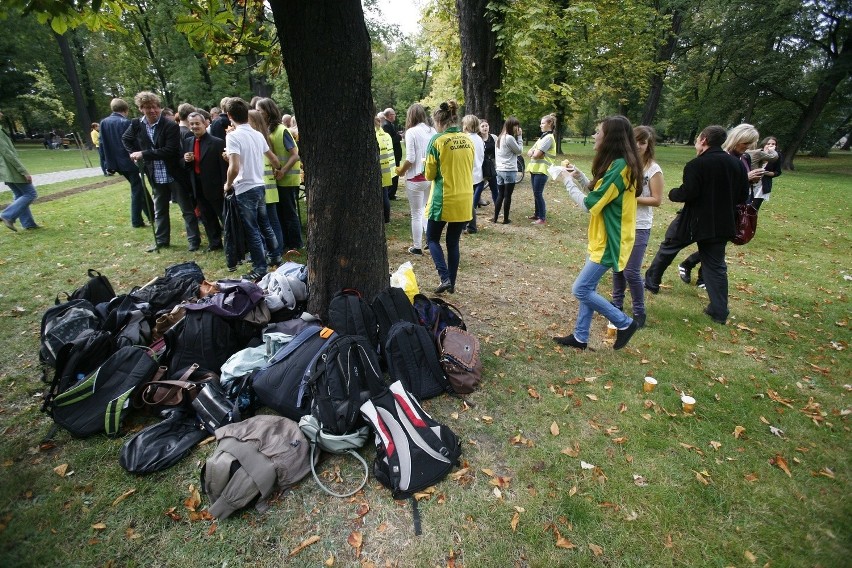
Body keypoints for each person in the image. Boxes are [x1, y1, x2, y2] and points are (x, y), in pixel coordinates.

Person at [644, 125, 749, 324]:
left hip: (694, 221)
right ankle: (719, 311)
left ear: (703, 140)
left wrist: (673, 193)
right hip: (722, 223)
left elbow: (688, 193)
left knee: (669, 247)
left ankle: (651, 282)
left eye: (698, 139)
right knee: (716, 266)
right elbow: (743, 195)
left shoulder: (697, 165)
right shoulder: (736, 164)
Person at [553, 115, 643, 350]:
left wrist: (566, 181)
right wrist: (579, 175)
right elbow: (599, 192)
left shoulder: (620, 168)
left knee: (581, 289)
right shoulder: (617, 164)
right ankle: (580, 337)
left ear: (610, 137)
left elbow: (589, 205)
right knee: (589, 288)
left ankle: (624, 323)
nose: (594, 136)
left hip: (610, 240)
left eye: (598, 132)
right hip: (601, 237)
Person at [675, 124, 761, 288]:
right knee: (712, 246)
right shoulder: (723, 157)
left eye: (751, 144)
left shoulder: (744, 158)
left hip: (732, 209)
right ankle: (695, 271)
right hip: (712, 211)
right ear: (736, 139)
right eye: (745, 143)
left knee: (715, 247)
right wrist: (745, 178)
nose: (748, 147)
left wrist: (748, 180)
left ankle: (698, 273)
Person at [122, 91, 201, 252]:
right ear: (141, 109)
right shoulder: (137, 124)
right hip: (155, 174)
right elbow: (126, 139)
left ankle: (194, 240)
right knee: (160, 210)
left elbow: (169, 150)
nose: (152, 111)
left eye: (155, 107)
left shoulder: (169, 125)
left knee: (186, 209)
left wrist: (143, 154)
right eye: (147, 108)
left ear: (159, 107)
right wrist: (133, 153)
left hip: (173, 173)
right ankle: (161, 240)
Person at [223, 97, 284, 282]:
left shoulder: (233, 136)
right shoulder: (258, 134)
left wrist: (227, 184)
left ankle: (260, 267)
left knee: (253, 229)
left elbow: (234, 167)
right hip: (260, 185)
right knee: (265, 223)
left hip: (245, 187)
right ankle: (275, 256)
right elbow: (274, 160)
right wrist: (277, 168)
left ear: (229, 116)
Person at [609, 126, 663, 329]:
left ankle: (639, 311)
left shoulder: (653, 169)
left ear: (648, 145)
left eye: (642, 142)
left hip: (639, 225)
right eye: (635, 141)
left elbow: (657, 200)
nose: (638, 146)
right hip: (620, 223)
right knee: (618, 267)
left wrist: (631, 198)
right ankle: (617, 305)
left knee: (631, 271)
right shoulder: (624, 165)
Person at [424, 100, 474, 294]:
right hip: (464, 197)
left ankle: (444, 277)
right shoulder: (468, 140)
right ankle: (451, 282)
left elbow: (429, 174)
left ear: (438, 121)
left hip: (444, 197)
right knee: (453, 242)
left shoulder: (437, 141)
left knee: (432, 238)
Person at [256, 98, 303, 252]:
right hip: (279, 179)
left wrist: (283, 170)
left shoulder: (282, 130)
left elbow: (295, 155)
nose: (257, 113)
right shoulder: (270, 130)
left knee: (289, 213)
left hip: (288, 179)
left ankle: (296, 243)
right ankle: (287, 242)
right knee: (282, 213)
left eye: (259, 110)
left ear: (268, 112)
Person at [100, 97, 154, 229]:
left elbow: (102, 145)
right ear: (126, 109)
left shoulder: (104, 122)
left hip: (116, 162)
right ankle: (136, 220)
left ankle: (152, 215)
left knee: (140, 188)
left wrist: (106, 163)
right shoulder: (125, 122)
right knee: (137, 189)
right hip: (130, 161)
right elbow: (134, 142)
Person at [395, 103, 436, 255]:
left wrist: (401, 171)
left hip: (415, 177)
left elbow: (411, 158)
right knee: (427, 210)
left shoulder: (411, 132)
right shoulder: (432, 130)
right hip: (430, 176)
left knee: (417, 213)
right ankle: (430, 241)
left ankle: (417, 246)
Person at [183, 111, 226, 252]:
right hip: (198, 185)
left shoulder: (217, 142)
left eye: (197, 123)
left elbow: (223, 167)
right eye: (192, 124)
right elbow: (185, 165)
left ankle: (233, 241)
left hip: (215, 186)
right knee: (206, 216)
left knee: (223, 215)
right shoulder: (188, 142)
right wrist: (186, 160)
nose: (194, 126)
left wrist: (225, 186)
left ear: (205, 123)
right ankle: (214, 242)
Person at [248, 108, 284, 265]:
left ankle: (276, 250)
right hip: (266, 187)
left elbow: (274, 162)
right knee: (270, 222)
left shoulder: (259, 140)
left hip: (264, 187)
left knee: (270, 223)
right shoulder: (262, 139)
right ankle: (275, 250)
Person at [0, 109, 39, 231]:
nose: (1, 114)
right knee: (31, 193)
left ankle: (28, 224)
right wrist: (23, 171)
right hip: (10, 168)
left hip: (5, 169)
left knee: (19, 194)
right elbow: (8, 154)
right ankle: (7, 215)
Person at [527, 114, 557, 225]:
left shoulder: (549, 138)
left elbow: (536, 154)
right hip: (535, 169)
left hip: (542, 169)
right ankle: (537, 214)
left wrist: (535, 153)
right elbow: (531, 151)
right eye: (541, 123)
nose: (540, 125)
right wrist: (535, 153)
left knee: (538, 193)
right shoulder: (542, 137)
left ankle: (542, 217)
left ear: (550, 124)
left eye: (543, 123)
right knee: (536, 193)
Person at [492, 116, 523, 224]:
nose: (517, 128)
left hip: (499, 170)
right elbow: (519, 151)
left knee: (500, 194)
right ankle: (505, 219)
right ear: (511, 126)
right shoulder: (509, 138)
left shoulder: (500, 137)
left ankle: (495, 218)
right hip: (509, 170)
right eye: (516, 126)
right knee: (507, 196)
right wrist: (520, 137)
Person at [462, 114, 485, 234]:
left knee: (467, 202)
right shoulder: (479, 139)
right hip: (477, 173)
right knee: (469, 202)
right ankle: (468, 225)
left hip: (469, 173)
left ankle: (470, 225)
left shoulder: (467, 139)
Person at [746, 136, 779, 211]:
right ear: (764, 144)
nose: (770, 146)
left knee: (753, 209)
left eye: (773, 144)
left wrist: (764, 173)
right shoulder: (756, 153)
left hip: (762, 185)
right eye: (768, 143)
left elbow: (777, 172)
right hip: (750, 183)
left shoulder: (777, 156)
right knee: (746, 206)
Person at [376, 113, 394, 223]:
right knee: (385, 194)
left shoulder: (374, 135)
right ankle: (386, 218)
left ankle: (383, 218)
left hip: (379, 168)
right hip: (387, 169)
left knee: (382, 195)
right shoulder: (385, 135)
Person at [382, 108, 402, 200]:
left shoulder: (390, 125)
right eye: (394, 114)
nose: (395, 116)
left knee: (395, 174)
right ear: (389, 115)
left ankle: (392, 193)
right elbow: (390, 140)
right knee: (393, 175)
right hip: (392, 154)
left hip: (395, 154)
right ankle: (391, 194)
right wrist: (399, 136)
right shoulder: (386, 126)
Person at [478, 119, 498, 206]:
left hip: (492, 166)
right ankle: (474, 206)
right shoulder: (477, 139)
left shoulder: (494, 137)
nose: (485, 128)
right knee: (479, 188)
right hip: (481, 166)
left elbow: (498, 151)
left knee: (494, 188)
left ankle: (497, 206)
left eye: (486, 125)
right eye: (482, 126)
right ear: (479, 128)